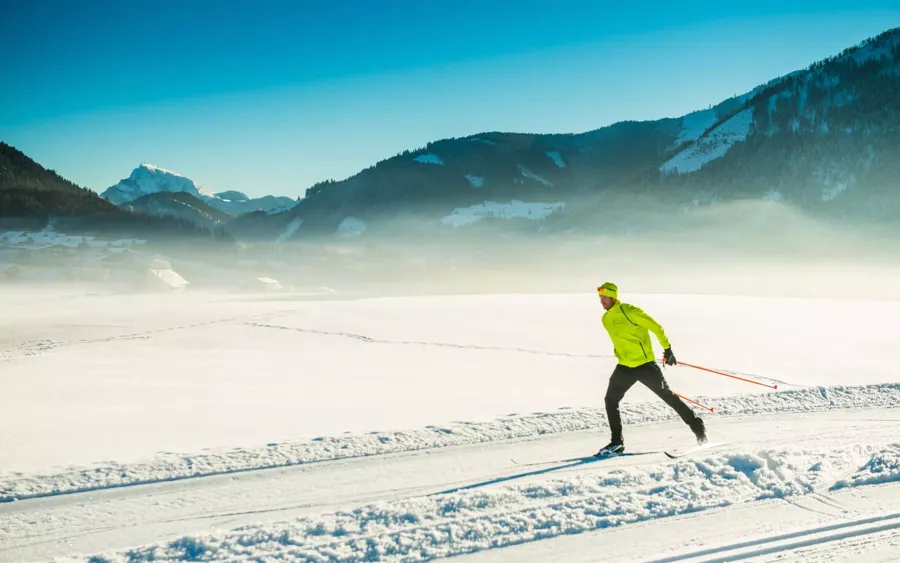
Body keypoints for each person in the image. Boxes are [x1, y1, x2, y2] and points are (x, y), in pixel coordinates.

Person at [594, 282, 706, 456]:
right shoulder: (606, 318)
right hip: (625, 366)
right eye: (600, 297)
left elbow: (656, 327)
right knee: (610, 399)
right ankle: (616, 443)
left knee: (668, 397)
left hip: (645, 365)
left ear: (613, 296)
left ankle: (698, 428)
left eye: (605, 297)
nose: (602, 301)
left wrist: (667, 349)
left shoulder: (630, 311)